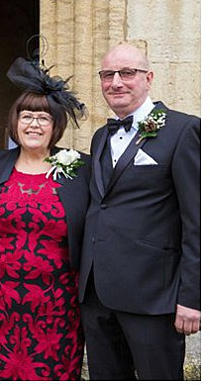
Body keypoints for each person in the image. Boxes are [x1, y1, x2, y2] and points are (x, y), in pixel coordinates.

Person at [79, 44, 201, 380]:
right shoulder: (101, 137)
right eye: (107, 75)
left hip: (152, 296)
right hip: (97, 294)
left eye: (127, 73)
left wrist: (193, 297)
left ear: (148, 78)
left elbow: (198, 221)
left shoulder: (182, 130)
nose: (115, 82)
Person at [0, 57, 89, 380]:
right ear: (15, 122)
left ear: (56, 125)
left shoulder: (81, 169)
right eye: (27, 116)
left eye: (43, 118)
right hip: (1, 300)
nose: (34, 124)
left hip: (58, 303)